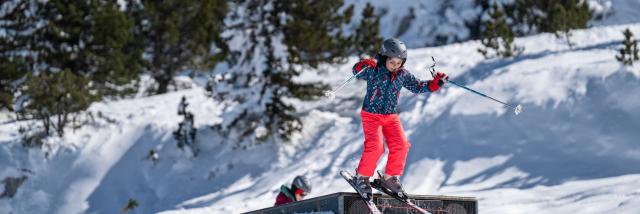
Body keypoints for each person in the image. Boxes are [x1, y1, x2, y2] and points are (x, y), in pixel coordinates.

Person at [351, 38, 448, 196]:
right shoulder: (374, 69)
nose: (396, 66)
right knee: (376, 146)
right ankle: (362, 177)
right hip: (371, 115)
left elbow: (417, 86)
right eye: (392, 62)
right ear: (384, 58)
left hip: (390, 116)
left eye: (399, 63)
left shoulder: (402, 74)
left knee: (402, 145)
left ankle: (390, 177)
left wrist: (434, 84)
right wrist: (362, 64)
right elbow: (356, 72)